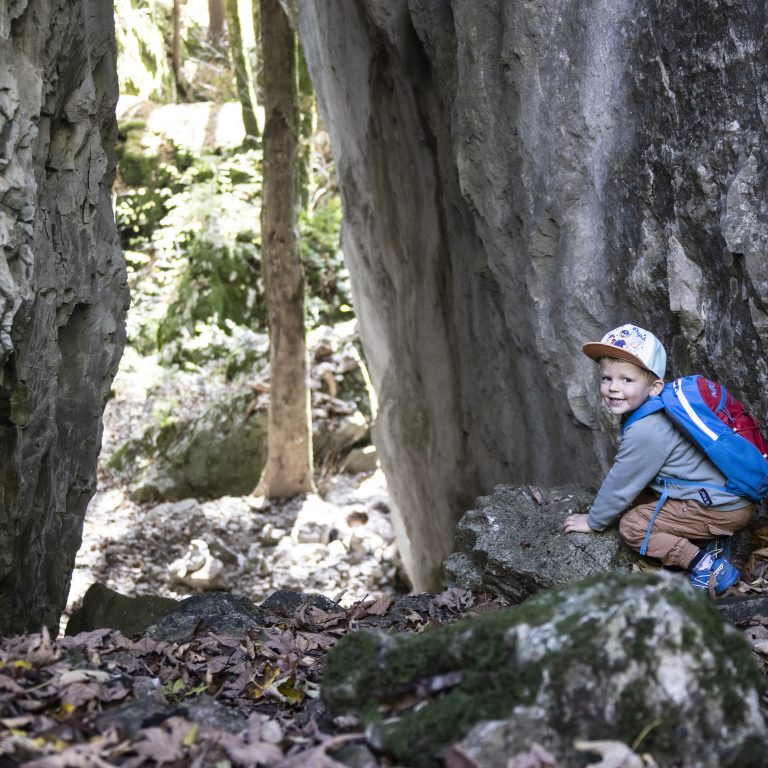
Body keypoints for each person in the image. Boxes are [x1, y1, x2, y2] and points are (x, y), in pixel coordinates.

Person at [563, 323, 754, 594]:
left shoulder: (647, 429)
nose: (613, 388)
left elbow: (621, 483)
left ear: (654, 387)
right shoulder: (659, 408)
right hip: (724, 498)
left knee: (632, 526)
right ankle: (712, 540)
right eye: (607, 378)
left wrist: (593, 521)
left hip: (723, 508)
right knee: (640, 499)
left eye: (626, 380)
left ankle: (707, 565)